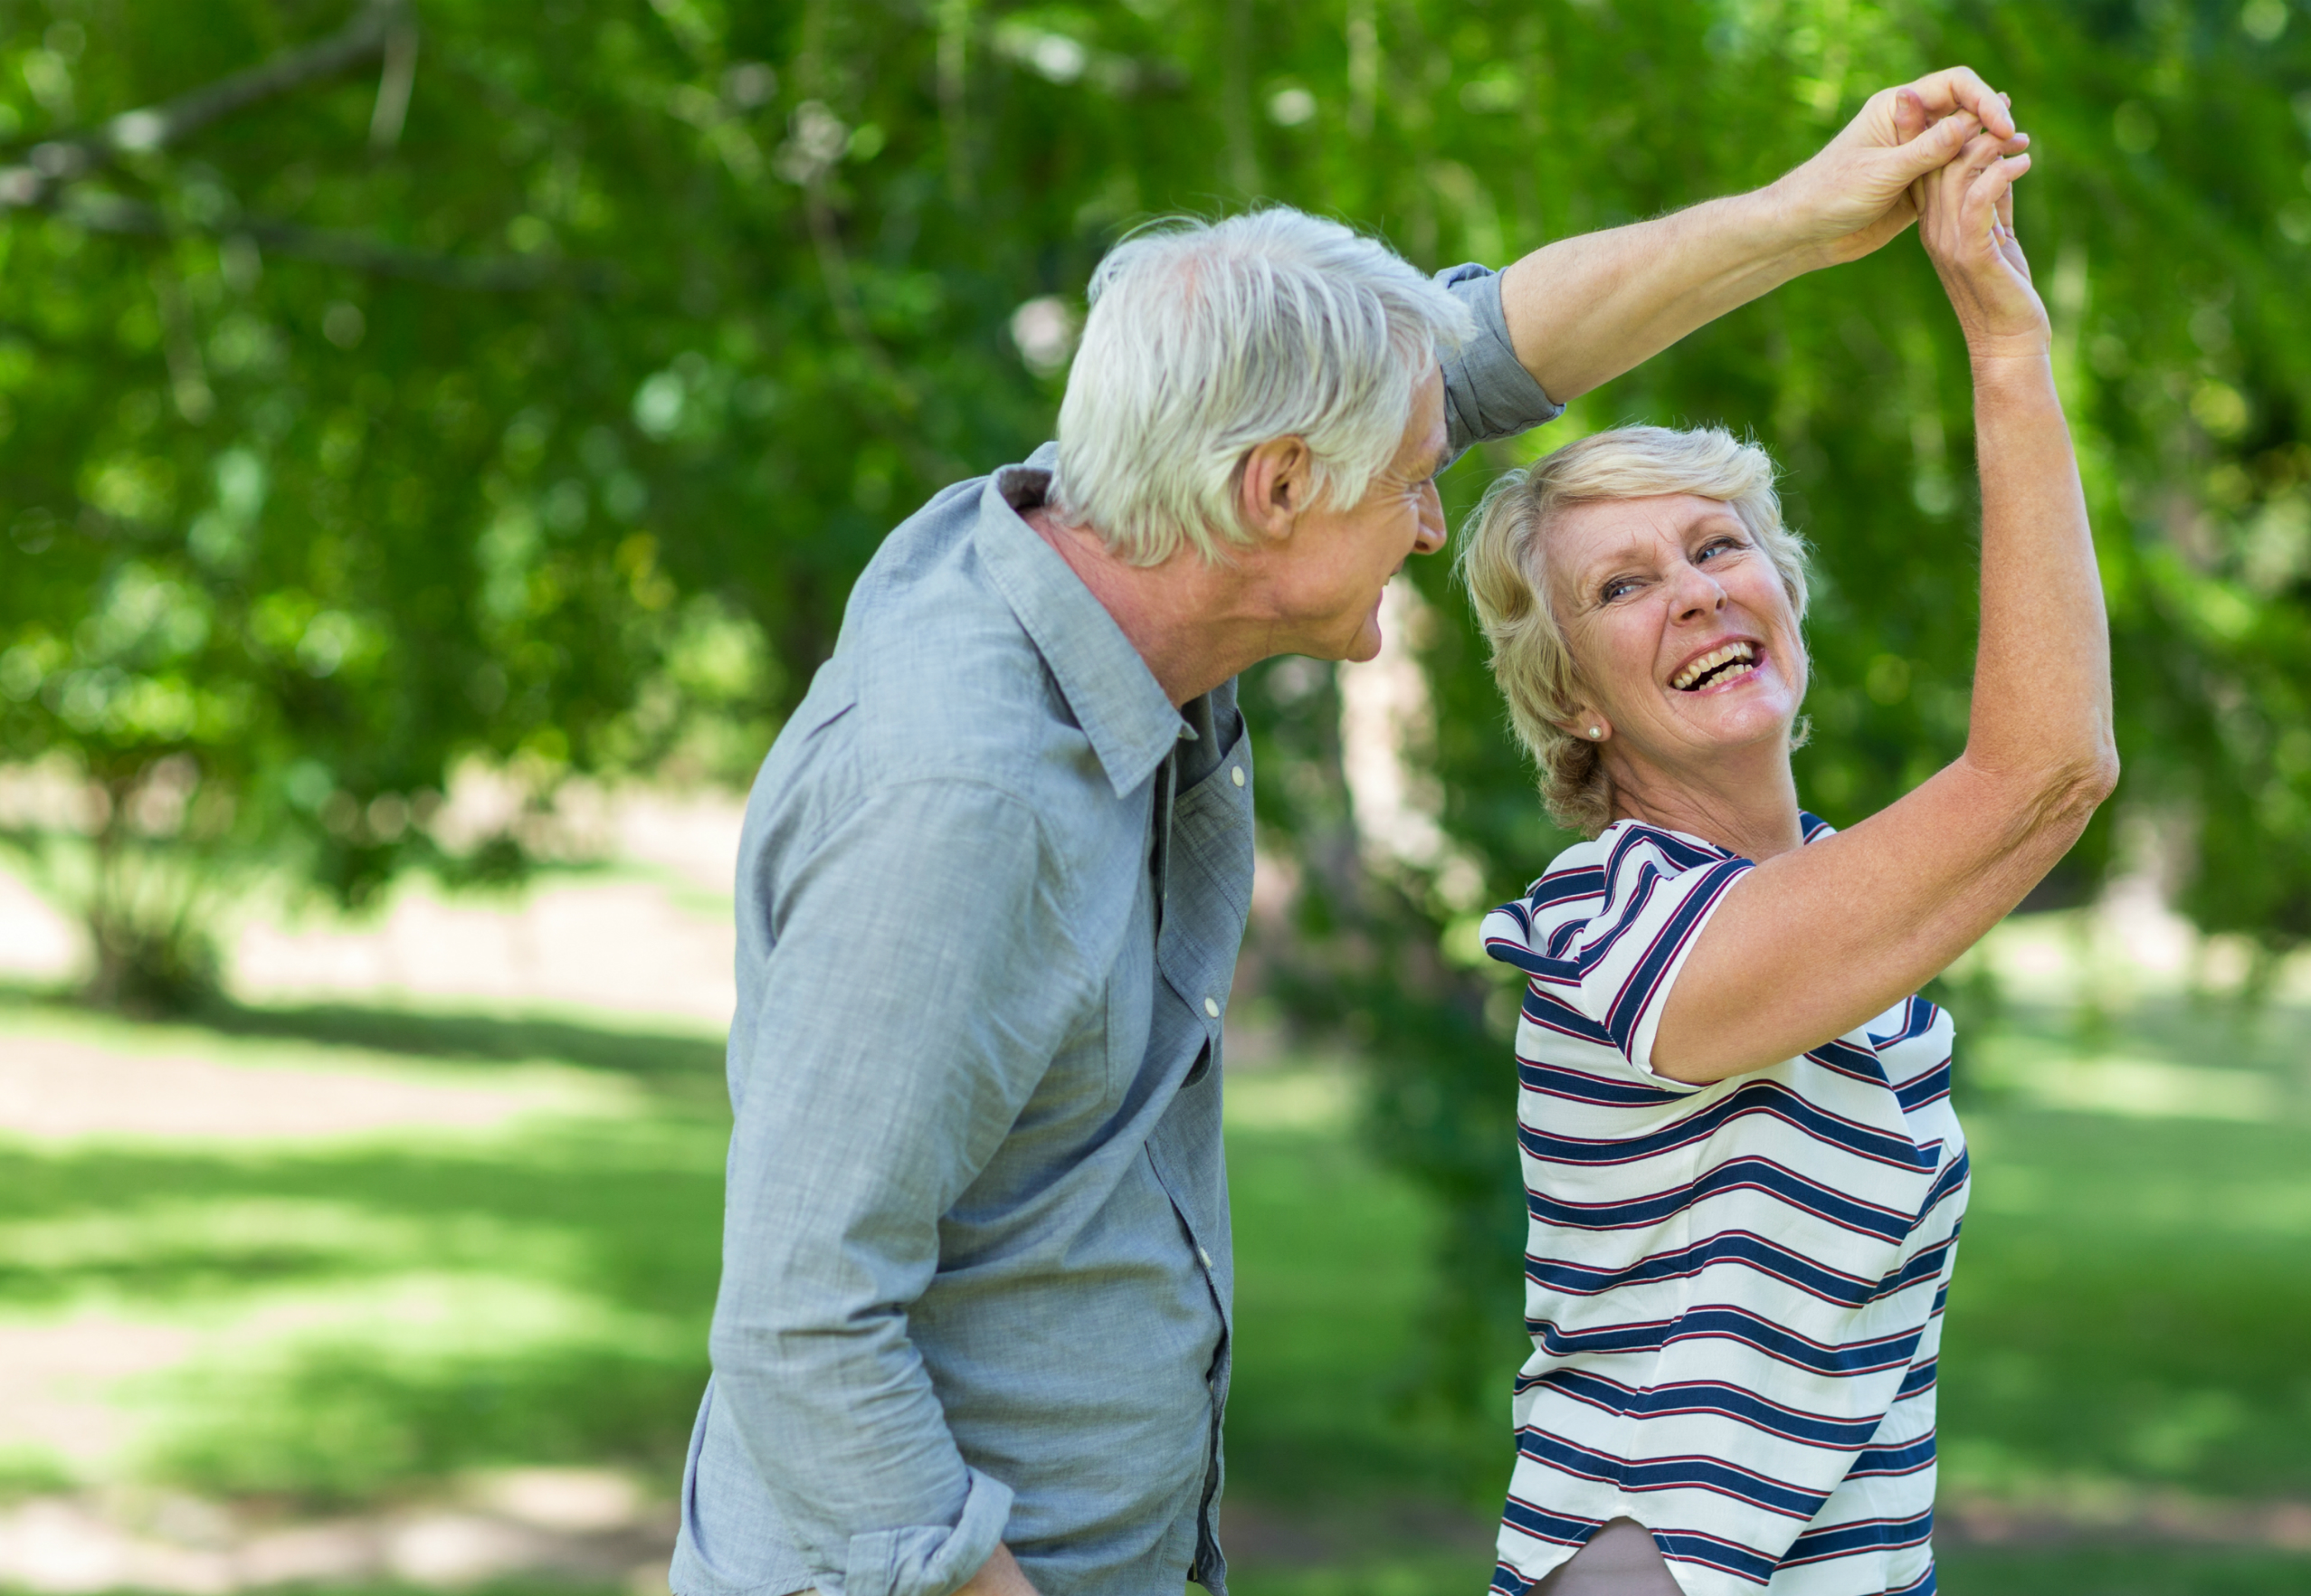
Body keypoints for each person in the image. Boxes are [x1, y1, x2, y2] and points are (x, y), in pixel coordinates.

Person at [670, 71, 2033, 1596]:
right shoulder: (966, 797)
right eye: (1408, 481)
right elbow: (801, 1318)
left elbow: (1490, 347)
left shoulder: (1117, 531)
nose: (1435, 519)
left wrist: (1797, 217)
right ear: (1275, 492)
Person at [1454, 121, 2115, 1596]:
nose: (1692, 595)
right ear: (1571, 694)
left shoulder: (1855, 942)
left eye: (1717, 547)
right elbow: (2047, 771)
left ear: (1786, 596)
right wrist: (2004, 342)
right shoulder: (1607, 924)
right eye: (1624, 585)